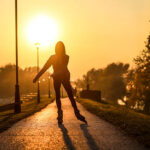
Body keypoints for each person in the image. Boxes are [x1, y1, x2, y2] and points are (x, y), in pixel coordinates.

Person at [33, 41, 87, 124]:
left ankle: (76, 112)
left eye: (60, 48)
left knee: (70, 95)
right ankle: (60, 113)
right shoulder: (53, 58)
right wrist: (37, 77)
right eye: (58, 48)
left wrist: (54, 73)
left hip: (64, 77)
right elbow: (45, 68)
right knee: (58, 96)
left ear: (62, 49)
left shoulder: (66, 57)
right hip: (57, 78)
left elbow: (63, 68)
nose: (58, 50)